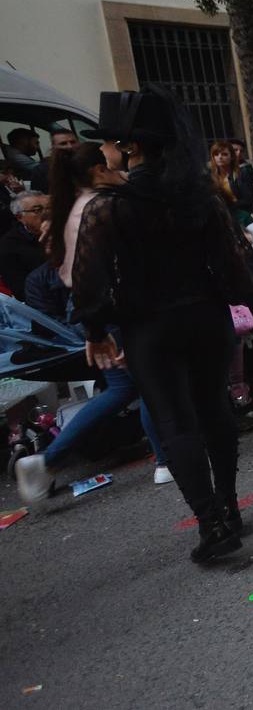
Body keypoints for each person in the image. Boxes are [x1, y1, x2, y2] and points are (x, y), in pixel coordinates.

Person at [65, 86, 253, 563]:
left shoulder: (108, 208)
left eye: (111, 142)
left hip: (150, 328)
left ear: (132, 147)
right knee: (214, 409)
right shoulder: (199, 199)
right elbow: (233, 265)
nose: (104, 150)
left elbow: (89, 282)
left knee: (176, 420)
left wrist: (95, 332)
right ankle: (229, 507)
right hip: (206, 320)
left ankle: (212, 524)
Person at [14, 141, 173, 500]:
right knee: (148, 382)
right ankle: (165, 460)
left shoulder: (72, 208)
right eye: (117, 155)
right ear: (99, 169)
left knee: (123, 387)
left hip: (96, 312)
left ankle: (47, 460)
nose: (124, 157)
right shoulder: (98, 206)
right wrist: (100, 327)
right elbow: (99, 270)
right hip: (111, 311)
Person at [0, 191, 48, 301]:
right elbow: (22, 292)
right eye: (37, 210)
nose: (46, 214)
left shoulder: (64, 230)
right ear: (19, 217)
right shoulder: (9, 246)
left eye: (49, 208)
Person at [208, 139, 253, 227]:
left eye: (224, 154)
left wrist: (229, 205)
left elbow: (249, 199)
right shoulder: (210, 176)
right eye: (216, 154)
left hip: (241, 212)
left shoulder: (242, 173)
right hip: (221, 214)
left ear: (232, 157)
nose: (220, 157)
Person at [29, 127, 79, 193]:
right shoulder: (42, 171)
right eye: (63, 143)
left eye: (73, 142)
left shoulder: (88, 164)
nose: (70, 146)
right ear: (53, 146)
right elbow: (39, 197)